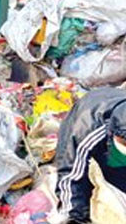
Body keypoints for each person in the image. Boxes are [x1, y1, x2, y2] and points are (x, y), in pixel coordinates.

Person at [55, 87, 126, 222]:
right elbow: (71, 174)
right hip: (86, 114)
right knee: (85, 180)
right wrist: (74, 217)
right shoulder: (86, 131)